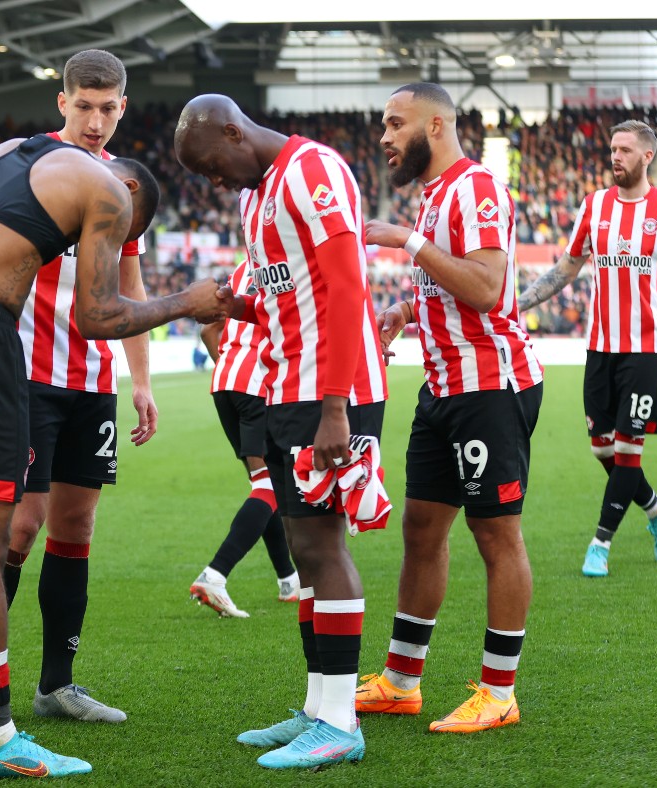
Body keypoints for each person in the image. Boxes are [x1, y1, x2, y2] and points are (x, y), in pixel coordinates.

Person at [0, 133, 222, 777]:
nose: (101, 244)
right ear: (130, 191)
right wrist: (185, 305)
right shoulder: (108, 187)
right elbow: (99, 315)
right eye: (118, 233)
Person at [175, 93, 388, 770]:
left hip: (333, 390)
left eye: (214, 165)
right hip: (285, 383)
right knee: (303, 547)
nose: (216, 181)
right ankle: (318, 707)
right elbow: (286, 299)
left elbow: (347, 286)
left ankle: (341, 721)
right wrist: (243, 309)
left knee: (323, 547)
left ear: (236, 133)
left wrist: (333, 406)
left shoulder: (312, 171)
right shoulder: (253, 196)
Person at [353, 83, 543, 734]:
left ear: (435, 126)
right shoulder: (434, 197)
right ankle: (402, 681)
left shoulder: (476, 188)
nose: (383, 136)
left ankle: (499, 692)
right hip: (442, 387)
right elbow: (449, 282)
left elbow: (488, 288)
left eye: (393, 123)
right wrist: (406, 311)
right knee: (421, 529)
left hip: (491, 385)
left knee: (495, 536)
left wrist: (407, 243)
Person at [0, 49, 154, 726]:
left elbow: (131, 287)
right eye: (83, 106)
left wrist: (140, 380)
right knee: (20, 524)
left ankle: (57, 685)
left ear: (122, 109)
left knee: (76, 525)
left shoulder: (123, 183)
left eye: (107, 108)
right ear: (62, 103)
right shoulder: (28, 165)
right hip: (25, 376)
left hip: (93, 382)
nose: (95, 120)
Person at [518, 119, 657, 576]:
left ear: (646, 156)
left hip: (648, 349)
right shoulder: (594, 206)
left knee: (627, 450)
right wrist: (516, 304)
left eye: (624, 150)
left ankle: (600, 544)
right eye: (612, 149)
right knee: (603, 450)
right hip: (601, 345)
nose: (614, 157)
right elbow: (566, 268)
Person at [189, 260, 298, 619]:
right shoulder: (291, 263)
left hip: (225, 383)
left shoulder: (242, 268)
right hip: (259, 386)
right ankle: (215, 574)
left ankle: (288, 579)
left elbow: (209, 332)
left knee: (264, 485)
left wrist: (231, 366)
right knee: (269, 488)